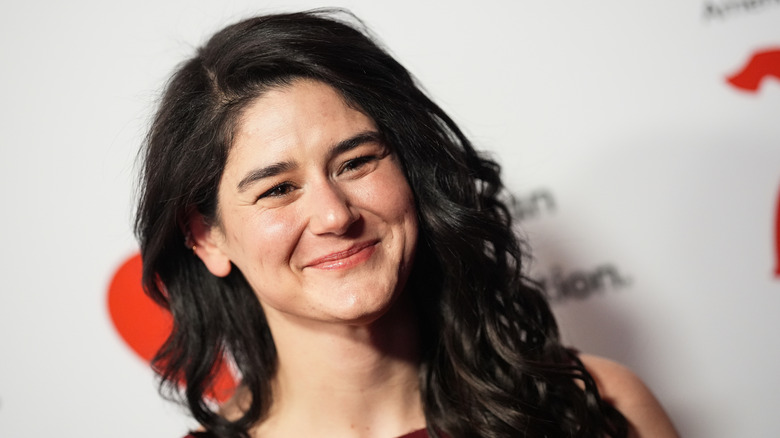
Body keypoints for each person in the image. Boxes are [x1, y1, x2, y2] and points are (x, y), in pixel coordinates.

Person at [135, 9, 678, 438]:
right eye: (277, 189)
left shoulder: (599, 408)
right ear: (206, 237)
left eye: (356, 162)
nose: (335, 215)